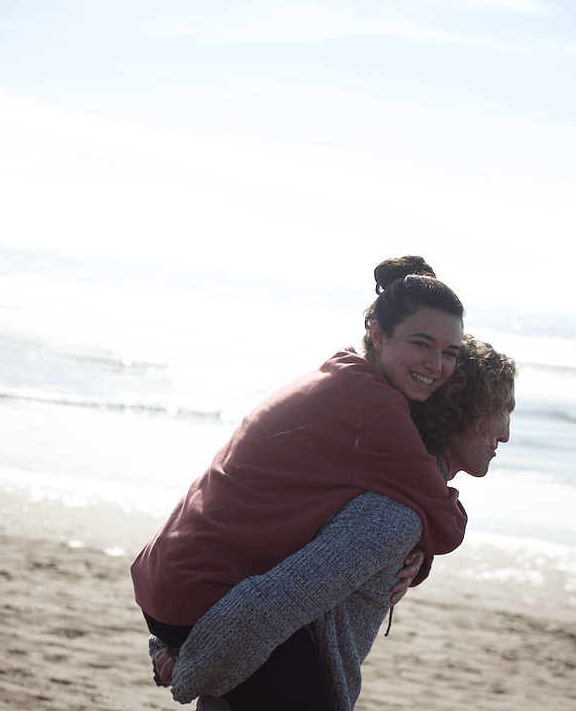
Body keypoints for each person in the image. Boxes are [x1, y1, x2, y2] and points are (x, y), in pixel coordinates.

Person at [131, 256, 469, 710]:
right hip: (208, 596)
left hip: (167, 578)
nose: (437, 365)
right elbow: (446, 521)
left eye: (450, 353)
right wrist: (422, 550)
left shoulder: (341, 373)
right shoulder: (377, 409)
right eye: (422, 344)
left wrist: (415, 553)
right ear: (378, 334)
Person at [150, 336, 517, 710]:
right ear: (462, 411)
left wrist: (182, 639)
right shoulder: (393, 513)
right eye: (503, 412)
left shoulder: (375, 480)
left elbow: (262, 554)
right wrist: (190, 663)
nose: (505, 434)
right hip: (273, 681)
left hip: (252, 670)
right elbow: (271, 601)